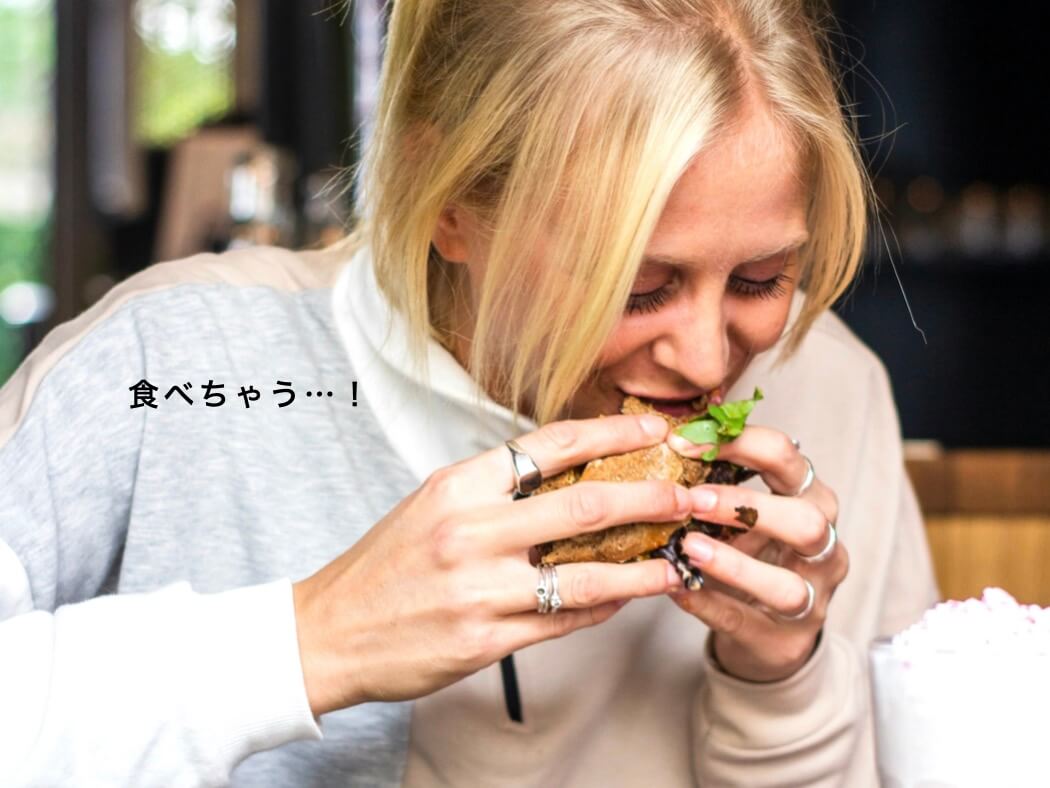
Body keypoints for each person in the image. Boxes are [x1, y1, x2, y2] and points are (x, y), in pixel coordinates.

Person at [0, 0, 939, 785]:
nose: (704, 360)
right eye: (636, 286)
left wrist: (782, 678)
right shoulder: (179, 369)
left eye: (762, 279)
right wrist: (311, 638)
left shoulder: (832, 386)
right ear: (447, 201)